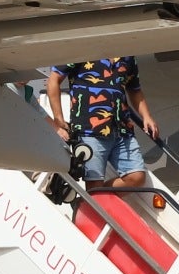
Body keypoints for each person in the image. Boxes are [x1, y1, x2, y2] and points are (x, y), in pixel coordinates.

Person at [46, 58, 160, 190]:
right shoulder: (81, 48)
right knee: (94, 183)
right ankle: (93, 199)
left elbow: (134, 89)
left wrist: (146, 116)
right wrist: (58, 118)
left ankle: (90, 200)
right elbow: (54, 80)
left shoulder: (129, 57)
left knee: (136, 177)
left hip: (122, 129)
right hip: (89, 130)